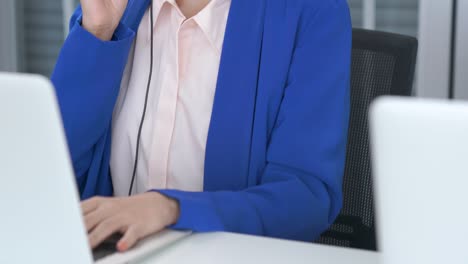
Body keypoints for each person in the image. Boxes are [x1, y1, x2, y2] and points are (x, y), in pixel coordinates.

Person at [51, 0, 351, 252]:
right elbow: (53, 177)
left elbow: (306, 197)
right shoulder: (114, 9)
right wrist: (98, 31)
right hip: (115, 254)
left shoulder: (313, 11)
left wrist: (171, 208)